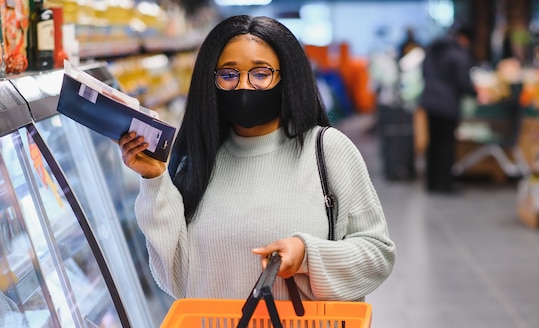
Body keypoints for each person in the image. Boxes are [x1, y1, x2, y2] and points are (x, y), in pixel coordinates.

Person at [117, 15, 395, 302]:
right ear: (210, 82)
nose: (244, 86)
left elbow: (377, 254)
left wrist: (307, 256)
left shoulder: (328, 150)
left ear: (286, 78)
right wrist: (154, 179)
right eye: (228, 75)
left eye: (261, 74)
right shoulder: (197, 161)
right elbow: (176, 280)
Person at [420, 24, 482, 193]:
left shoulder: (433, 49)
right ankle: (445, 184)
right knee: (446, 145)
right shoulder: (458, 54)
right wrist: (476, 93)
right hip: (447, 104)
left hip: (430, 101)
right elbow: (463, 82)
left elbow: (424, 73)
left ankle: (432, 183)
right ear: (465, 38)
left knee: (433, 144)